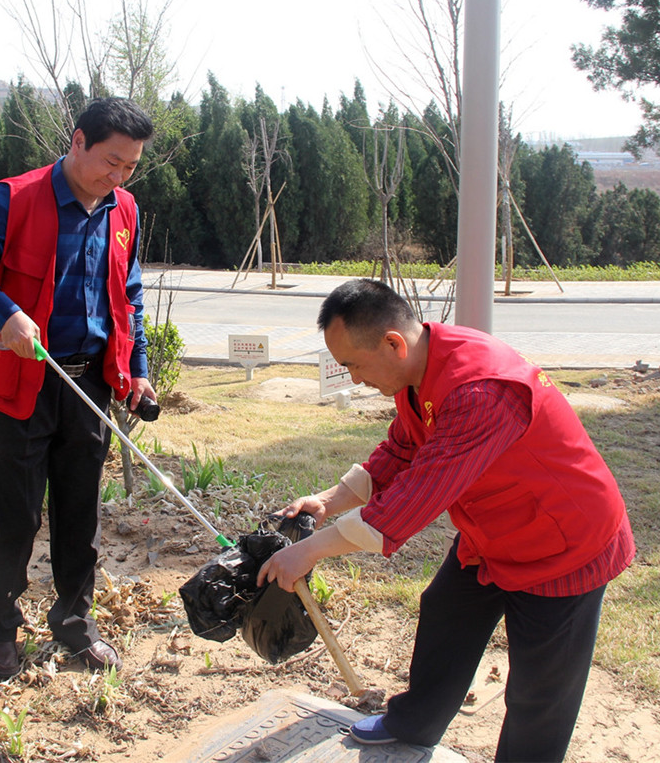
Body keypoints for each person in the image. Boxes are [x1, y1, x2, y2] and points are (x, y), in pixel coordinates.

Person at [258, 278, 635, 761]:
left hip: (563, 542)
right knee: (446, 613)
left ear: (393, 343)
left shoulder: (481, 392)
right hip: (494, 531)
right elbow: (401, 451)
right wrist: (327, 502)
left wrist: (306, 551)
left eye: (354, 365)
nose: (353, 379)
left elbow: (401, 512)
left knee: (540, 688)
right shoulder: (420, 369)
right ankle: (414, 724)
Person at [0, 97, 156, 679]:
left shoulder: (124, 211)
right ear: (77, 141)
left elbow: (128, 297)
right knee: (18, 517)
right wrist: (3, 312)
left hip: (89, 387)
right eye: (111, 161)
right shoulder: (17, 198)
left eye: (129, 167)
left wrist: (140, 370)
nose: (118, 176)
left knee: (80, 514)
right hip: (20, 386)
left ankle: (74, 623)